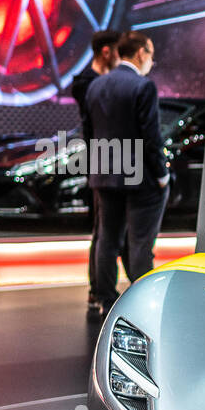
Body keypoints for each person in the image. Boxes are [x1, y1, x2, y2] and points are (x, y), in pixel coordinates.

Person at [85, 31, 170, 314]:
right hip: (138, 177)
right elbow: (151, 137)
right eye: (152, 54)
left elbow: (88, 134)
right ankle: (142, 299)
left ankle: (104, 298)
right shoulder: (143, 86)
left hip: (103, 173)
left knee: (107, 239)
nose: (152, 61)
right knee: (140, 240)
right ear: (141, 53)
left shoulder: (96, 86)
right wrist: (161, 174)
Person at [73, 29, 121, 318]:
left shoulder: (93, 83)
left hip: (105, 164)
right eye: (118, 51)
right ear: (107, 51)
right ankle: (101, 291)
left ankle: (100, 291)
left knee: (104, 231)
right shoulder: (89, 85)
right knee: (104, 231)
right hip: (105, 164)